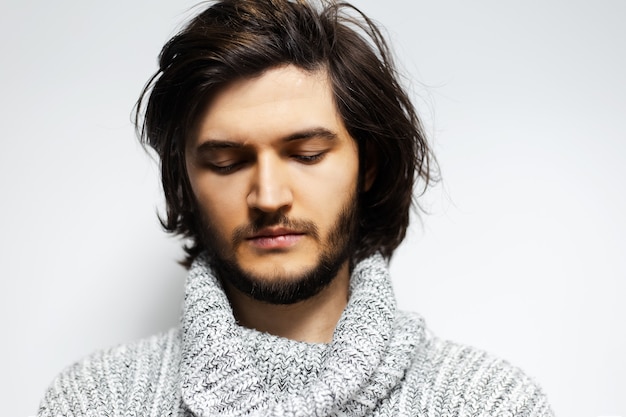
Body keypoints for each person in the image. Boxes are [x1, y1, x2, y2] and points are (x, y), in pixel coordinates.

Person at [38, 0, 554, 415]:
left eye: (306, 155)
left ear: (367, 165)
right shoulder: (97, 400)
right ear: (186, 180)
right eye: (225, 162)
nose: (268, 196)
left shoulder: (487, 404)